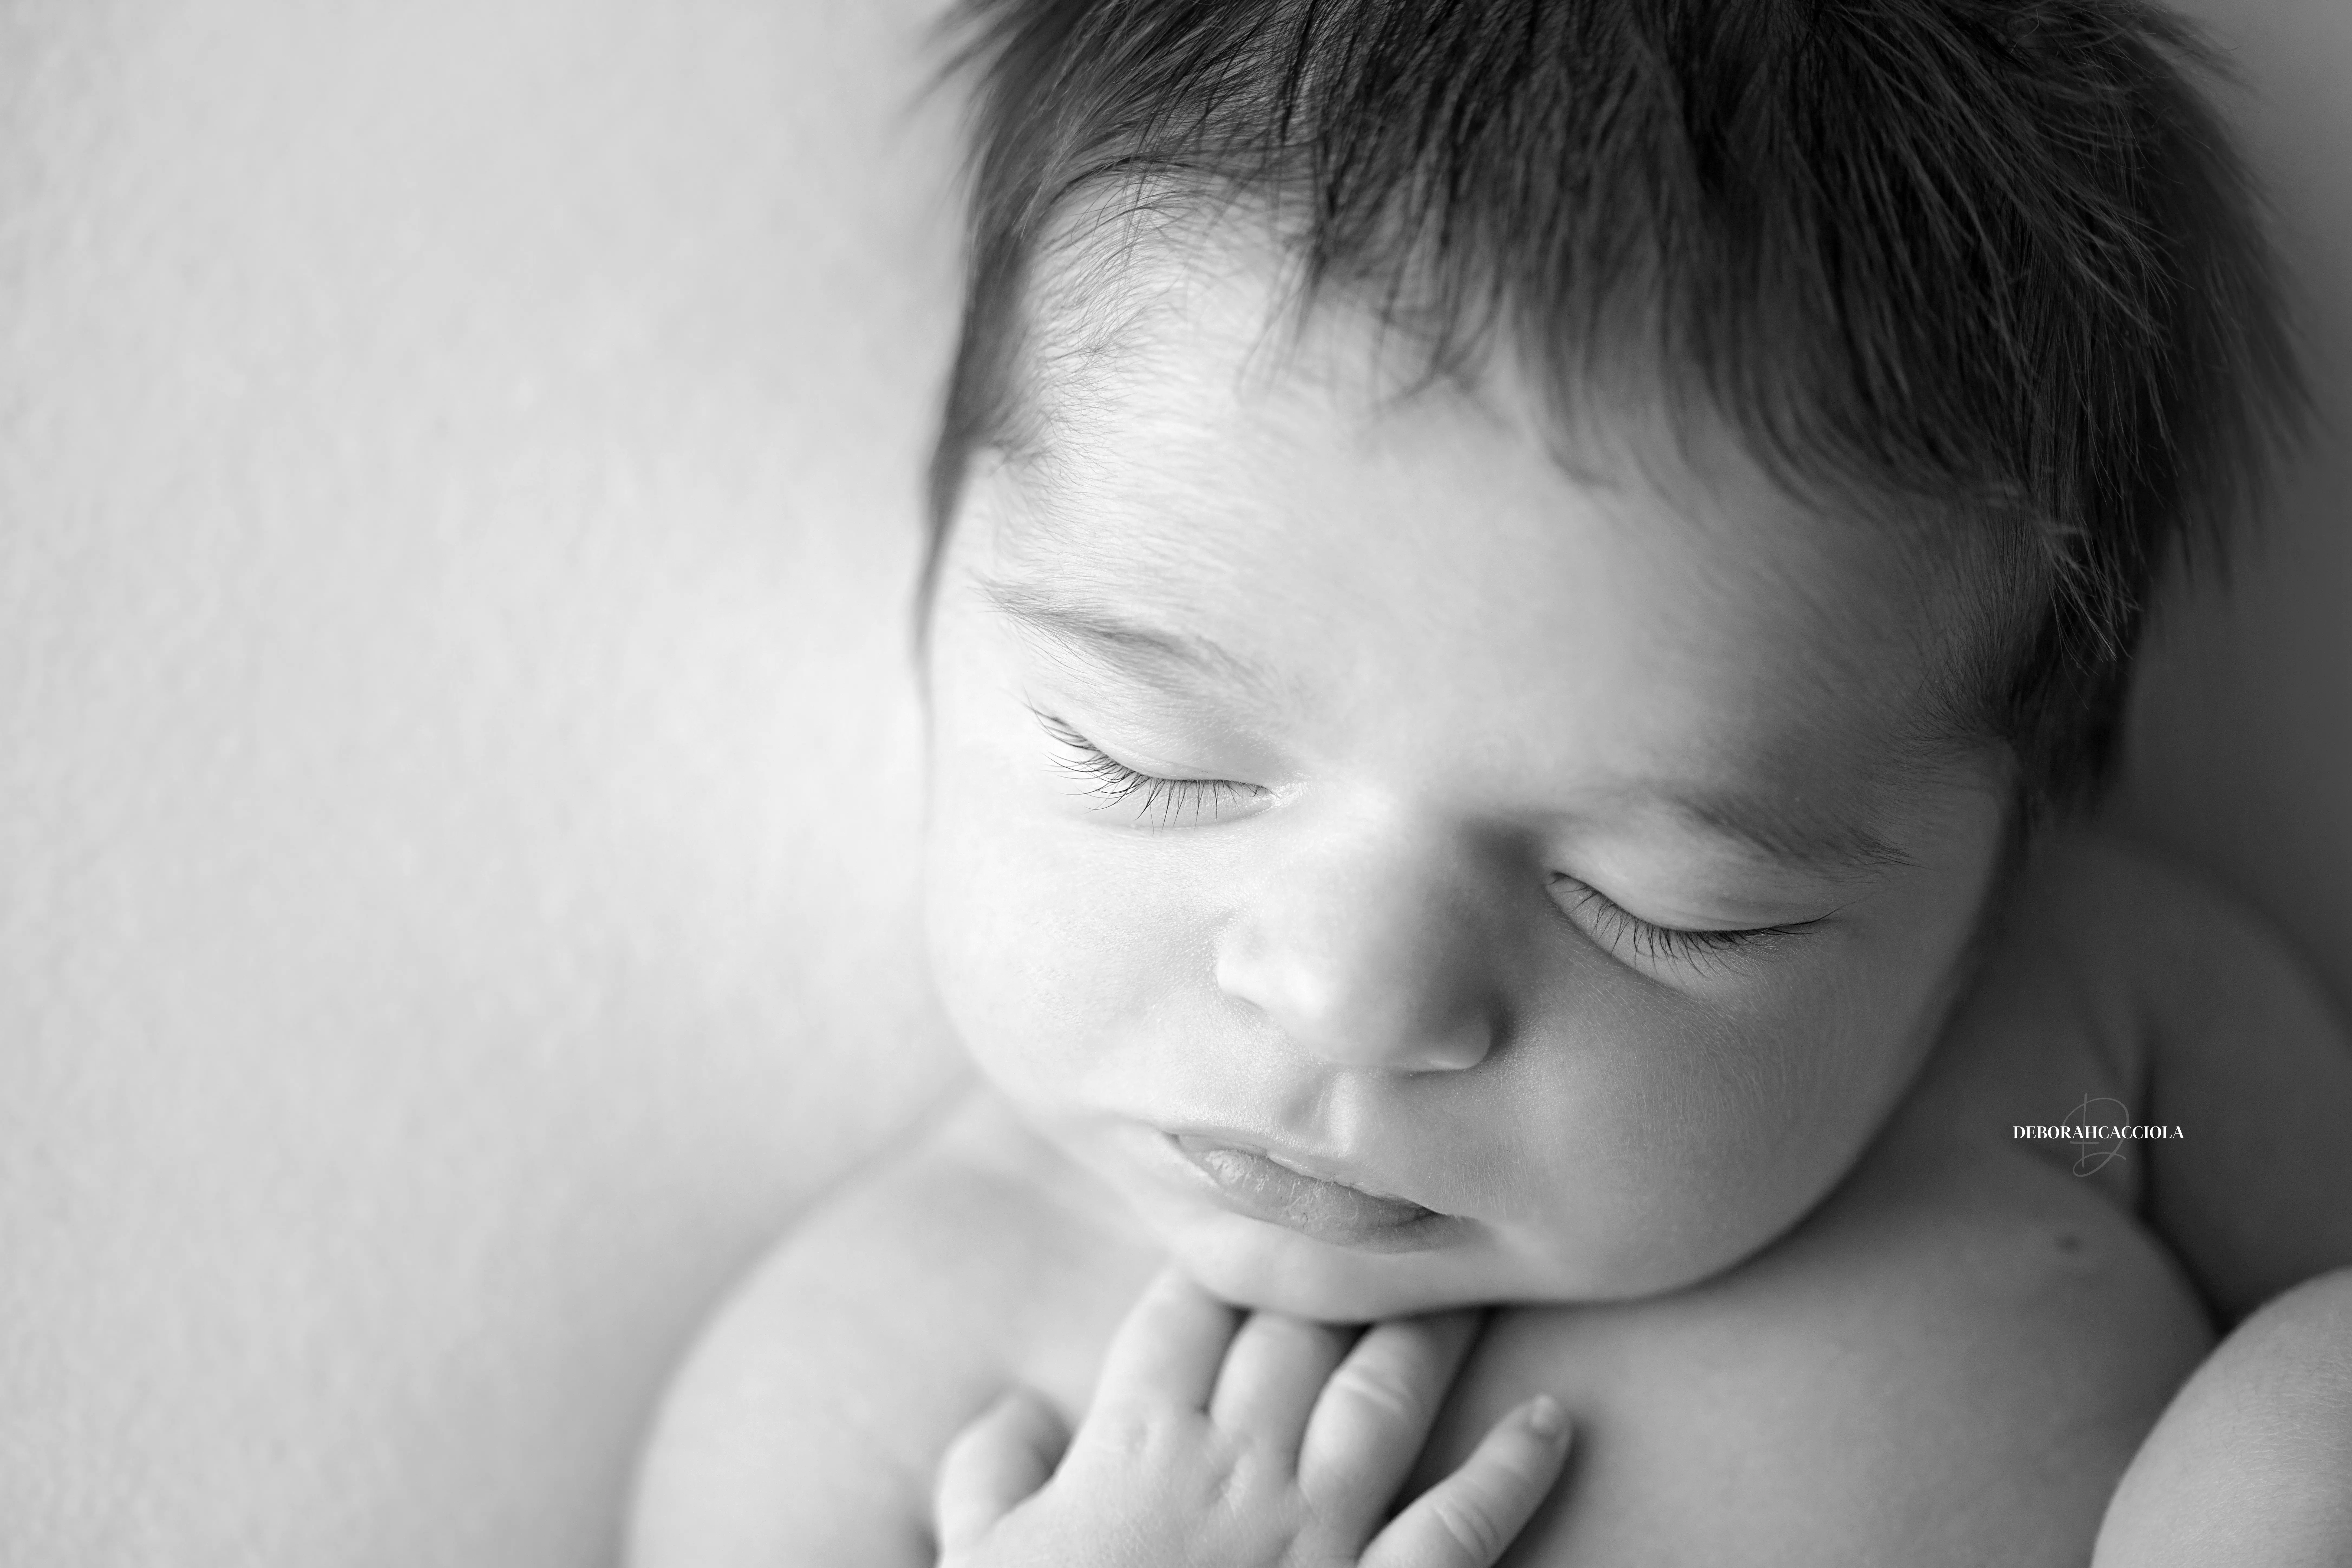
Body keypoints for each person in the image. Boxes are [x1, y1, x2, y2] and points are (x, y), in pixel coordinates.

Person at [630, 1, 2352, 1561]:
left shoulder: (2086, 1061)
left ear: (1990, 877)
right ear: (935, 617)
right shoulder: (872, 1381)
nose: (1353, 999)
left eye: (1669, 909)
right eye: (1147, 760)